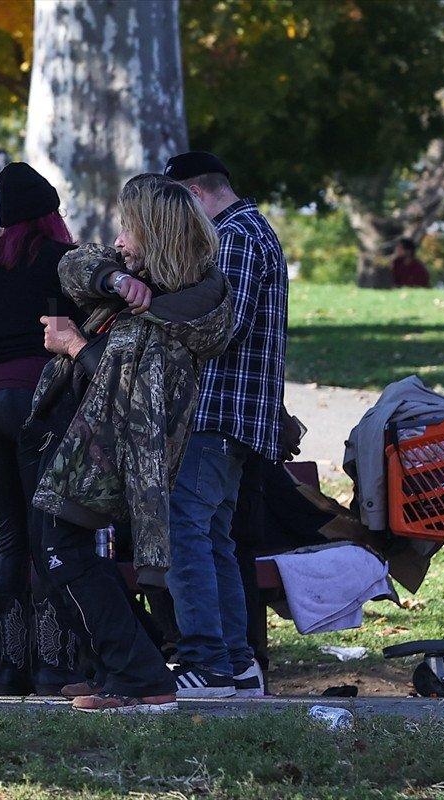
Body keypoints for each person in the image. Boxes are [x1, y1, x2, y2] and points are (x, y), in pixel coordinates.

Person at [27, 173, 234, 713]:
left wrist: (74, 345)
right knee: (54, 551)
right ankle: (121, 666)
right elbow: (71, 266)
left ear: (158, 236)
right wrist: (117, 282)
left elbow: (135, 402)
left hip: (111, 461)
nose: (120, 240)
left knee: (57, 551)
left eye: (130, 229)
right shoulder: (140, 290)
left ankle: (138, 674)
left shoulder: (171, 319)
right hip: (86, 450)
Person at [162, 151, 288, 699]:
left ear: (193, 194)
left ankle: (207, 664)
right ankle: (237, 665)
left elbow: (220, 327)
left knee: (184, 535)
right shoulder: (255, 229)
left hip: (216, 412)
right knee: (214, 541)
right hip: (237, 418)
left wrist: (154, 323)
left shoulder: (233, 236)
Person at [0, 162, 84, 695]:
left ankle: (11, 666)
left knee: (10, 533)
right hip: (37, 399)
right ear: (51, 214)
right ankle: (53, 663)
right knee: (46, 532)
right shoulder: (60, 264)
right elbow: (63, 335)